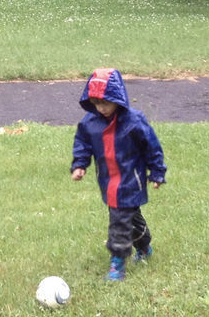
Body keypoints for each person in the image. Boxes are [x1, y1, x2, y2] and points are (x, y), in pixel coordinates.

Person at [70, 68, 167, 281]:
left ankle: (118, 260)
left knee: (119, 220)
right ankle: (144, 247)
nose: (101, 108)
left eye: (106, 103)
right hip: (108, 182)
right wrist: (80, 164)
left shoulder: (133, 121)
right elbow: (83, 143)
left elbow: (152, 146)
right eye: (96, 104)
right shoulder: (90, 123)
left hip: (130, 181)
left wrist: (157, 172)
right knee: (132, 219)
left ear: (117, 98)